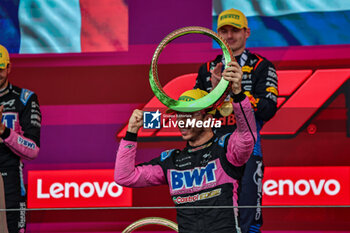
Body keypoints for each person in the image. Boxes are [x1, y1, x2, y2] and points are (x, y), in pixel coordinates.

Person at [115, 61, 257, 233]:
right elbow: (125, 177)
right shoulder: (171, 161)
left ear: (207, 118)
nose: (182, 121)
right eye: (179, 115)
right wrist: (131, 133)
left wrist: (238, 94)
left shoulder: (226, 150)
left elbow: (247, 136)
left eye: (189, 114)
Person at [194, 8, 278, 233]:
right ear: (217, 33)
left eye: (235, 30)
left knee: (249, 220)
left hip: (249, 151)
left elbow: (269, 109)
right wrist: (214, 92)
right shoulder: (207, 70)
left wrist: (239, 90)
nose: (230, 36)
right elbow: (194, 118)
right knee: (212, 218)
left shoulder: (262, 66)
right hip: (212, 153)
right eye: (224, 30)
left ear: (247, 32)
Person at [0, 44, 41, 233]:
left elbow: (33, 149)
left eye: (0, 68)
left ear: (9, 67)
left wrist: (3, 131)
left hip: (11, 181)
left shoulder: (25, 99)